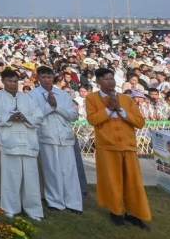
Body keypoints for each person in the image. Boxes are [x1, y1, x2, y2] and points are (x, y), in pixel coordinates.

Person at [85, 67, 151, 229]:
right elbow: (93, 120)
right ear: (98, 82)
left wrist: (120, 109)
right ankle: (116, 213)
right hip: (107, 146)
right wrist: (109, 109)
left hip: (128, 145)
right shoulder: (92, 98)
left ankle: (134, 214)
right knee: (112, 181)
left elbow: (140, 122)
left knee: (133, 182)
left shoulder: (126, 99)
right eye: (106, 79)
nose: (111, 82)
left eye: (112, 79)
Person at [0, 69, 43, 220]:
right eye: (9, 81)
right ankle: (10, 208)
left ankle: (33, 210)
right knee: (11, 176)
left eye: (15, 81)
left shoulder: (27, 98)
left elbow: (38, 117)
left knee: (31, 177)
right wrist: (9, 117)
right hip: (9, 141)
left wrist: (26, 118)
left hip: (28, 142)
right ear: (3, 81)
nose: (12, 84)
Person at [30, 66, 83, 214]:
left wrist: (57, 106)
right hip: (46, 135)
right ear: (38, 78)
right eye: (43, 77)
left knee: (69, 170)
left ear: (53, 78)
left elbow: (74, 115)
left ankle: (73, 202)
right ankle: (55, 201)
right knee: (52, 170)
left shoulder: (63, 94)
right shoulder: (32, 95)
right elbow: (33, 117)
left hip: (65, 136)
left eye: (49, 77)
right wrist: (49, 106)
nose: (47, 80)